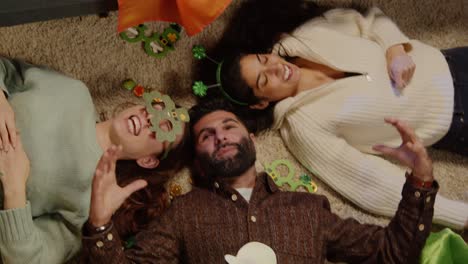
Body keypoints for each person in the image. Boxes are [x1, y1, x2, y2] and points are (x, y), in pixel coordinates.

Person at [203, 0, 468, 229]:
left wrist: (394, 49)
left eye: (263, 59)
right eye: (263, 81)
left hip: (453, 60)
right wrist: (458, 215)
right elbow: (369, 182)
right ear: (260, 104)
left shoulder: (306, 35)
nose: (275, 67)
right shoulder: (303, 129)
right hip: (457, 119)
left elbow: (370, 20)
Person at [82, 98, 438, 263]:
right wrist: (99, 224)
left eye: (229, 128)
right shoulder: (185, 213)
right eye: (206, 136)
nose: (219, 137)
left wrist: (421, 180)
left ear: (252, 141)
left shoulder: (308, 210)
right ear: (199, 161)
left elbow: (395, 252)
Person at [0, 56, 190, 263]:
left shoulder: (90, 201)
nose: (150, 118)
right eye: (158, 108)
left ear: (148, 161)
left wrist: (14, 188)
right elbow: (5, 68)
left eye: (164, 129)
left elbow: (29, 260)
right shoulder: (74, 91)